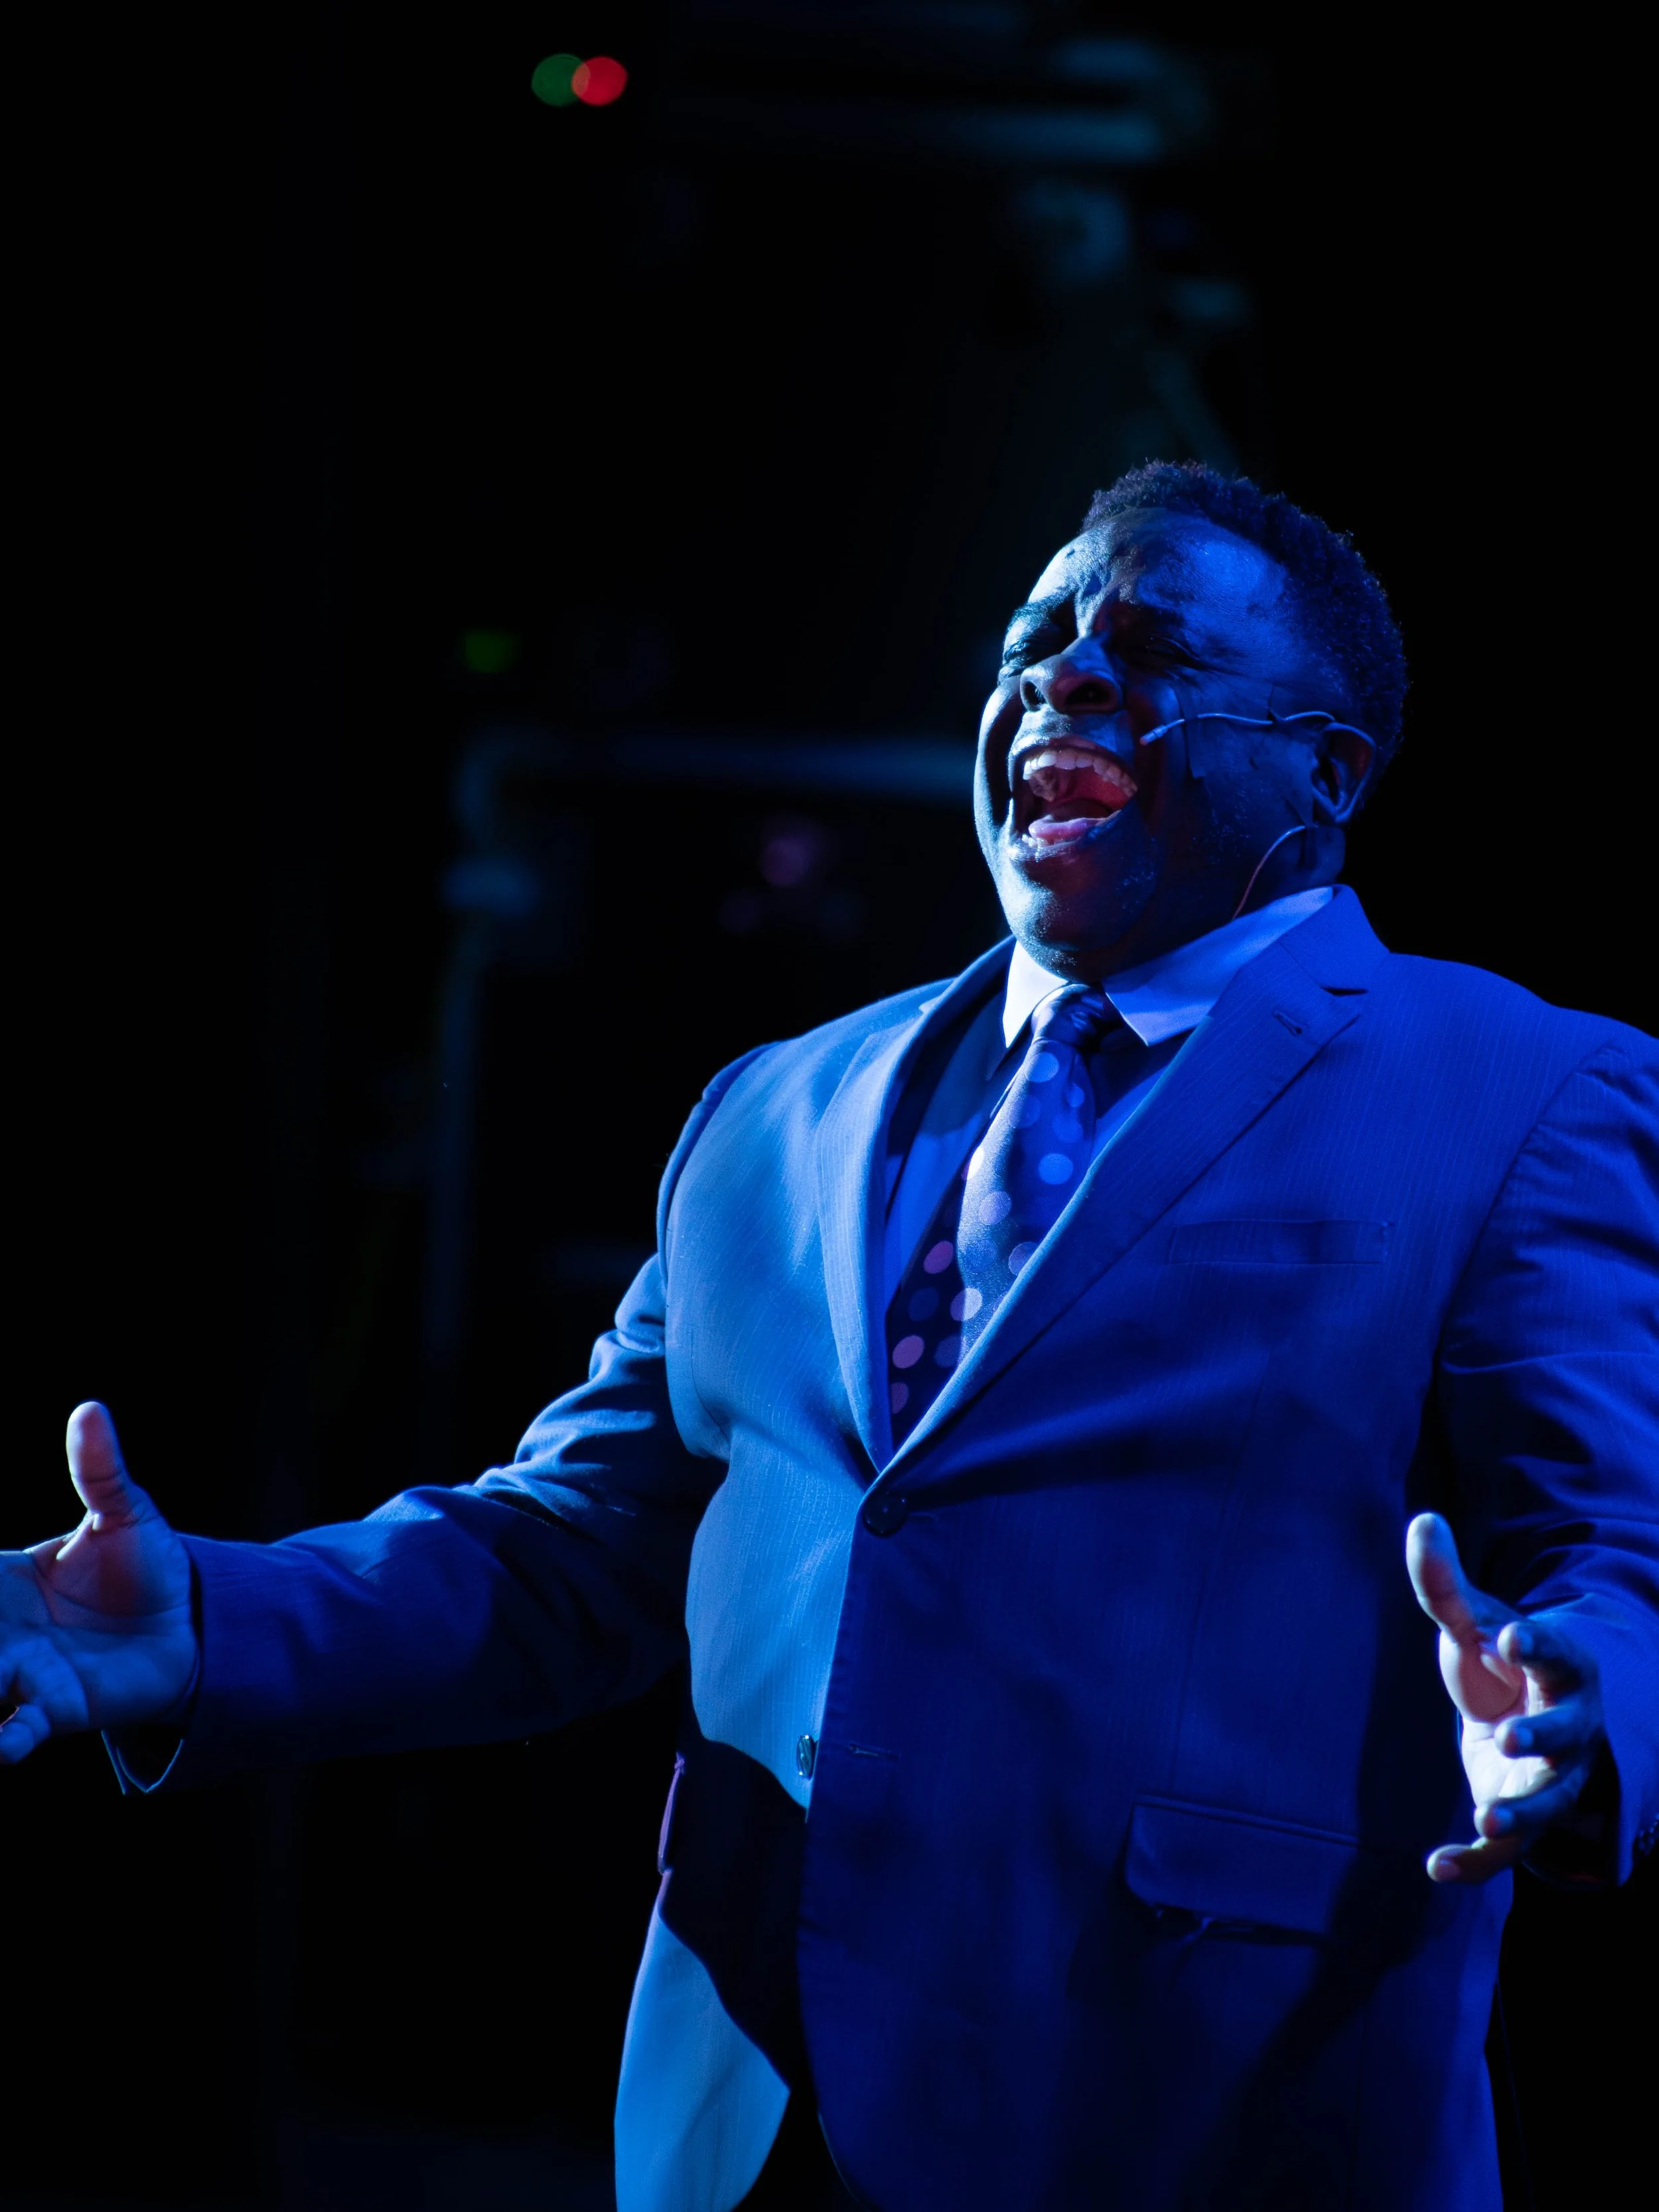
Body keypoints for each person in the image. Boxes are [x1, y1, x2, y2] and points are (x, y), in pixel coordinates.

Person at [5, 463, 1656, 2212]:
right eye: (1030, 643)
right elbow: (573, 1549)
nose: (1061, 677)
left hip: (1200, 2120)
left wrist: (1577, 1702)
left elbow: (1618, 1548)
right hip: (749, 2109)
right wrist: (203, 1620)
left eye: (1153, 648)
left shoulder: (1521, 1091)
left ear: (1327, 771)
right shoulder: (776, 1109)